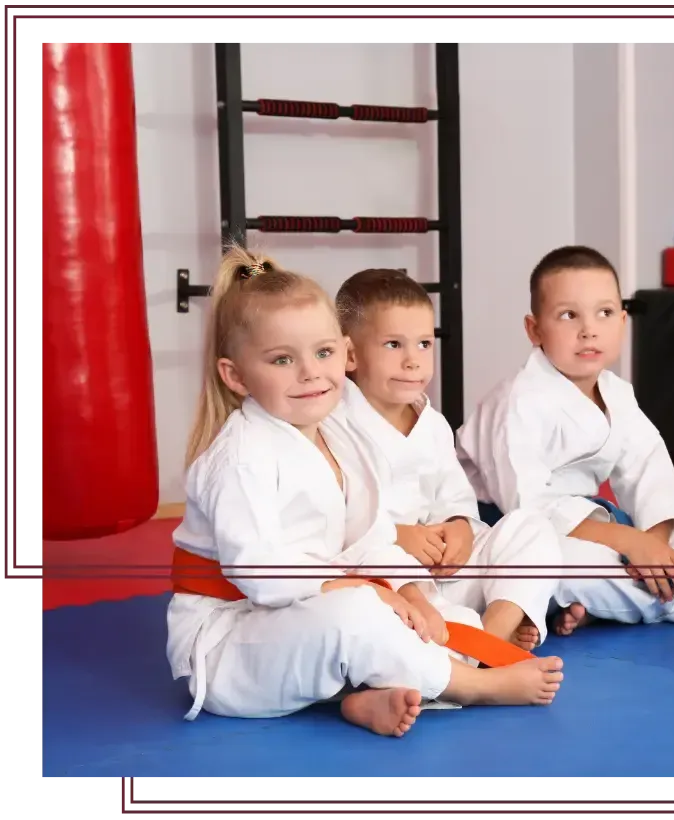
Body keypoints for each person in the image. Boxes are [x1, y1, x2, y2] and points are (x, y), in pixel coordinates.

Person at [167, 245, 564, 738]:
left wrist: (412, 594)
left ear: (343, 352)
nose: (310, 372)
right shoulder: (241, 456)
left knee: (442, 617)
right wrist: (367, 591)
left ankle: (363, 695)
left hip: (305, 614)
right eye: (283, 359)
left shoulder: (337, 439)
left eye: (323, 353)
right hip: (234, 642)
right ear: (236, 376)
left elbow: (370, 541)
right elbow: (260, 574)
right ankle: (474, 685)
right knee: (356, 615)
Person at [456, 245, 674, 636]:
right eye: (568, 315)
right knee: (570, 565)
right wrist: (629, 542)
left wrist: (650, 546)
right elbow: (527, 509)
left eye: (604, 313)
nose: (588, 329)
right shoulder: (516, 402)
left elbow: (649, 474)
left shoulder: (616, 392)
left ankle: (607, 599)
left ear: (623, 321)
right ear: (534, 330)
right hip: (509, 539)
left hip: (593, 525)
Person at [331, 268, 563, 651]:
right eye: (393, 344)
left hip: (444, 568)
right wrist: (397, 536)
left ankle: (492, 634)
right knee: (390, 614)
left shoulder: (432, 423)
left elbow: (454, 495)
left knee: (532, 529)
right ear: (351, 354)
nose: (413, 361)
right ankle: (479, 639)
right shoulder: (331, 423)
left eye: (424, 344)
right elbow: (333, 517)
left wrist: (459, 526)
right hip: (387, 576)